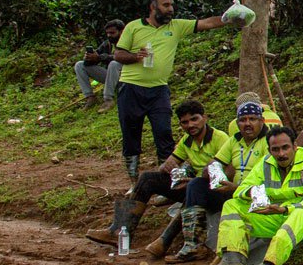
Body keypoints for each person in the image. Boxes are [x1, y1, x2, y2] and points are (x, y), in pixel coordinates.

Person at [197, 126, 303, 265]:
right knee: (232, 205)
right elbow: (242, 188)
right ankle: (232, 261)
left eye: (285, 148)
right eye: (275, 150)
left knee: (299, 214)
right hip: (276, 215)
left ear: (295, 146)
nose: (281, 154)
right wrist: (253, 193)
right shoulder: (265, 162)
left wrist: (285, 208)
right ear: (269, 150)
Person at [112, 0, 228, 181]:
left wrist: (232, 17)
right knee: (131, 135)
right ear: (153, 7)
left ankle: (167, 182)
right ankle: (133, 181)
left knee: (164, 133)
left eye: (171, 5)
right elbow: (118, 55)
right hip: (131, 88)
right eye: (166, 5)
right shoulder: (133, 27)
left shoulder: (176, 27)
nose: (171, 9)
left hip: (159, 89)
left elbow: (207, 23)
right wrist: (136, 57)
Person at [88, 99, 228, 248]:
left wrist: (195, 180)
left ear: (204, 118)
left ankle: (165, 241)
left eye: (194, 119)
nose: (190, 125)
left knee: (194, 187)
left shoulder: (220, 138)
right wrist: (167, 167)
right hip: (193, 184)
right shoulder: (187, 141)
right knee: (148, 179)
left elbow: (225, 172)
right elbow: (169, 163)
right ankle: (119, 231)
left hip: (215, 189)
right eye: (185, 122)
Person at [147, 100, 270, 263]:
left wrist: (235, 186)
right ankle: (193, 246)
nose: (247, 124)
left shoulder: (269, 141)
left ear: (261, 121)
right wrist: (213, 170)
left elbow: (270, 180)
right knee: (196, 185)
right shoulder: (234, 140)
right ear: (237, 123)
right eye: (243, 120)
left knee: (197, 185)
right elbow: (213, 165)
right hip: (231, 191)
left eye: (252, 119)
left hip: (255, 196)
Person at [74, 19, 124, 111]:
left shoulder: (128, 42)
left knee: (114, 63)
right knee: (79, 65)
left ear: (121, 31)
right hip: (112, 77)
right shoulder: (107, 44)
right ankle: (90, 97)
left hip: (127, 79)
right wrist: (89, 58)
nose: (109, 35)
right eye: (107, 33)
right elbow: (97, 57)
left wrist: (100, 57)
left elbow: (121, 58)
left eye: (112, 33)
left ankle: (108, 99)